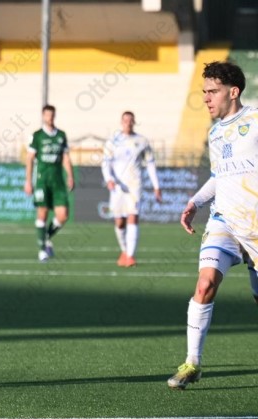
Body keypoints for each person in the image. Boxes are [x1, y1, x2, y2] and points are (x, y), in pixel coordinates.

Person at [167, 61, 258, 390]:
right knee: (205, 284)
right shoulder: (215, 132)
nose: (206, 98)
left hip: (255, 224)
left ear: (233, 92)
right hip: (224, 220)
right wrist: (195, 202)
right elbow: (220, 176)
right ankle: (192, 363)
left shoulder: (256, 119)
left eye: (213, 91)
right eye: (204, 91)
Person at [102, 111, 163, 267]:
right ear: (121, 122)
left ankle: (130, 256)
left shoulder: (142, 141)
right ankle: (124, 251)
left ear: (134, 122)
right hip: (117, 187)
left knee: (133, 216)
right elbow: (106, 163)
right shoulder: (113, 142)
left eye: (130, 120)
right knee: (119, 222)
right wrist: (109, 179)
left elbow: (150, 164)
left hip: (135, 185)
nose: (128, 123)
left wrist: (156, 186)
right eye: (125, 120)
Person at [24, 104, 75, 262]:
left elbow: (65, 157)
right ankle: (42, 251)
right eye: (47, 115)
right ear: (43, 116)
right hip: (42, 180)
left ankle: (45, 238)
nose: (49, 118)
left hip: (58, 180)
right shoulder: (37, 136)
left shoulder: (61, 135)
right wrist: (28, 181)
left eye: (52, 115)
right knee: (42, 213)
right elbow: (29, 159)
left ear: (54, 116)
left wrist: (70, 176)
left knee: (63, 215)